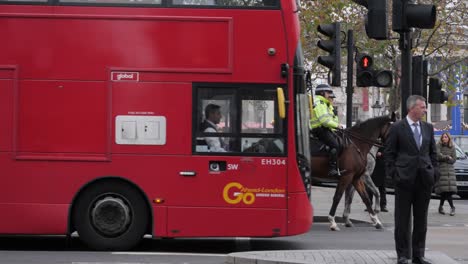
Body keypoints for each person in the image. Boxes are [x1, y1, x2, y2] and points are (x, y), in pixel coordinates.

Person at [385, 95, 439, 264]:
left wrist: (434, 172)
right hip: (404, 179)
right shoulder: (397, 128)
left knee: (421, 219)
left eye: (425, 107)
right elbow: (389, 154)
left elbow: (432, 153)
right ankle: (402, 255)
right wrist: (394, 175)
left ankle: (418, 255)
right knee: (402, 219)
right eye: (422, 107)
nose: (425, 110)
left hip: (424, 179)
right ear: (412, 108)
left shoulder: (428, 128)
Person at [310, 83, 343, 177]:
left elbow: (329, 121)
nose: (330, 95)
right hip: (319, 129)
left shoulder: (324, 103)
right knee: (335, 145)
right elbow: (324, 120)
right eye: (328, 92)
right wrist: (337, 125)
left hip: (324, 128)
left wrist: (335, 118)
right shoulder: (319, 103)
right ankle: (332, 169)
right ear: (322, 93)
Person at [434, 132, 458, 216]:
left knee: (447, 191)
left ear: (449, 138)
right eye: (443, 137)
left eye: (446, 137)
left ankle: (440, 207)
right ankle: (452, 207)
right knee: (445, 190)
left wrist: (446, 158)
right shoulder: (438, 145)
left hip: (450, 171)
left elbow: (454, 159)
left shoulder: (452, 147)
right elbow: (437, 156)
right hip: (441, 170)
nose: (444, 138)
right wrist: (447, 157)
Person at [368, 146, 388, 212]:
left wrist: (382, 154)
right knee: (370, 186)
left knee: (382, 187)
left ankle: (383, 205)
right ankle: (369, 204)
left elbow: (389, 151)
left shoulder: (385, 140)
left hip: (381, 166)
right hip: (373, 166)